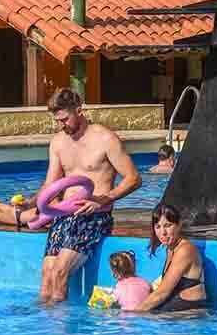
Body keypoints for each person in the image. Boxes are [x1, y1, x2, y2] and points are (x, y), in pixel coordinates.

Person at [36, 88, 142, 304]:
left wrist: (104, 199)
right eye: (57, 121)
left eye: (65, 119)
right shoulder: (57, 142)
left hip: (94, 216)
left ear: (79, 110)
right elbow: (51, 184)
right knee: (47, 275)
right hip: (64, 216)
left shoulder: (105, 138)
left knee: (59, 272)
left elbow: (133, 178)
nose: (61, 125)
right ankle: (43, 329)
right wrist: (36, 203)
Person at [130, 203, 207, 313]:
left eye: (167, 226)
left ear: (179, 224)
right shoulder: (170, 249)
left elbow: (163, 293)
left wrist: (133, 314)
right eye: (158, 227)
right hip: (176, 311)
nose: (163, 233)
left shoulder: (185, 250)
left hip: (190, 315)